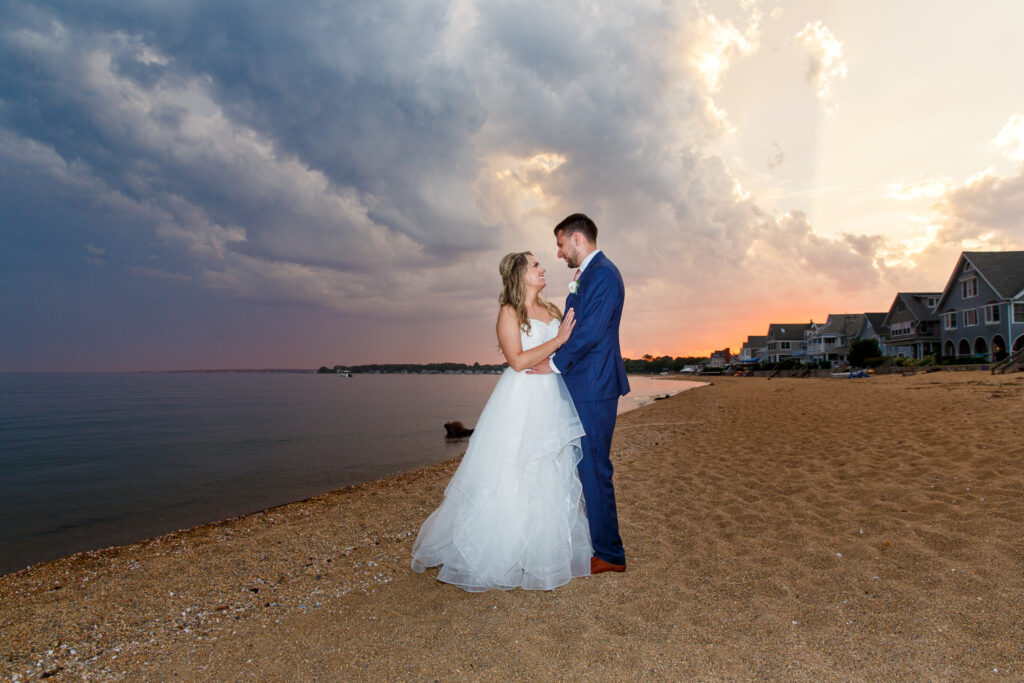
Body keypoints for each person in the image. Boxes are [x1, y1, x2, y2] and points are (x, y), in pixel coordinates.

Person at [411, 251, 593, 591]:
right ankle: (502, 551)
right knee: (514, 468)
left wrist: (564, 349)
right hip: (522, 399)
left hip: (552, 397)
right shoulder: (510, 312)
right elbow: (517, 360)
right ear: (520, 274)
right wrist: (558, 341)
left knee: (550, 467)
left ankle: (541, 553)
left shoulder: (553, 310)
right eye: (535, 265)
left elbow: (565, 353)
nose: (542, 269)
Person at [527, 213, 630, 574]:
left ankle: (610, 555)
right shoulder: (588, 275)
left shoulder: (602, 274)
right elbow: (574, 329)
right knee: (585, 466)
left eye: (559, 244)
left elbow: (590, 333)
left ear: (575, 238)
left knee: (594, 468)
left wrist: (553, 365)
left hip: (595, 386)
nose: (558, 253)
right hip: (586, 384)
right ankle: (599, 545)